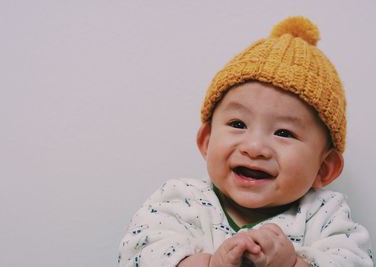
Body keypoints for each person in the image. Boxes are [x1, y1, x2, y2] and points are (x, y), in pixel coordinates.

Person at [118, 16, 374, 267]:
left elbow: (355, 260)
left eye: (284, 133)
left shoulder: (325, 215)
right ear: (207, 141)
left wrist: (294, 264)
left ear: (324, 168)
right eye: (238, 125)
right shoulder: (182, 200)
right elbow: (139, 252)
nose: (254, 148)